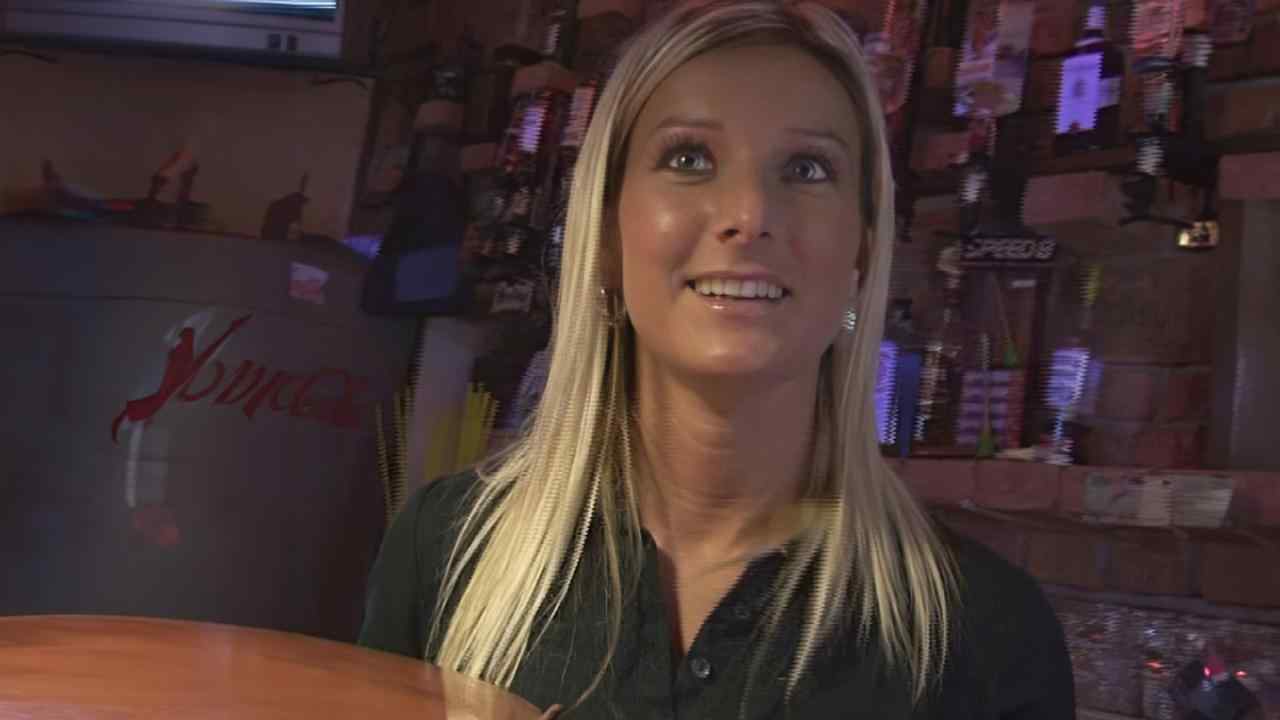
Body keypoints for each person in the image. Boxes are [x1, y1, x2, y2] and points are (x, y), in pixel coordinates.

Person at [358, 2, 1075, 718]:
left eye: (806, 167)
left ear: (860, 250)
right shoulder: (446, 548)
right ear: (607, 235)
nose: (750, 212)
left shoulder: (984, 635)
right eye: (689, 159)